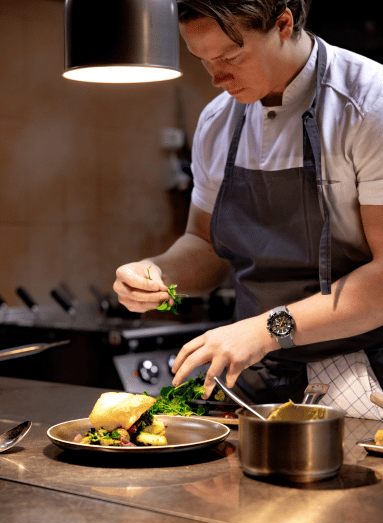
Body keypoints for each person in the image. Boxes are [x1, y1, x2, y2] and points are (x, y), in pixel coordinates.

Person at [113, 0, 383, 414]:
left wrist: (265, 329)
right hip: (253, 381)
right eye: (203, 60)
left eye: (231, 57)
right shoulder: (217, 120)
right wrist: (158, 273)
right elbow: (204, 244)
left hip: (360, 378)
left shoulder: (367, 101)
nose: (218, 78)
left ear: (284, 24)